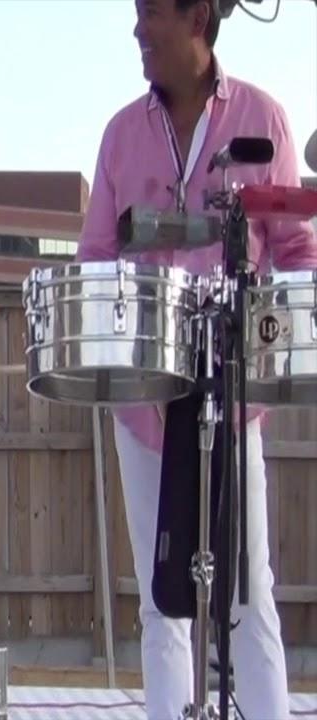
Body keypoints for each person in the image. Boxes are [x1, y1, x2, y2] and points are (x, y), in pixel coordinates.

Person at [76, 1, 317, 717]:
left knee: (246, 596)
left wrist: (276, 331)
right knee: (162, 601)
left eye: (150, 12)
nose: (137, 29)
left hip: (234, 396)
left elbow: (297, 250)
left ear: (197, 17)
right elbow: (96, 257)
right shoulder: (121, 134)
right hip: (143, 402)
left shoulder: (263, 117)